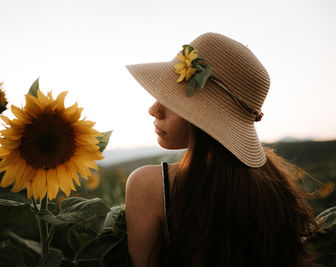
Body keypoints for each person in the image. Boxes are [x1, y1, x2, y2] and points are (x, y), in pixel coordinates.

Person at [124, 33, 317, 267]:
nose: (154, 109)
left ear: (207, 116)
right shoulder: (274, 188)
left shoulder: (150, 185)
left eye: (172, 100)